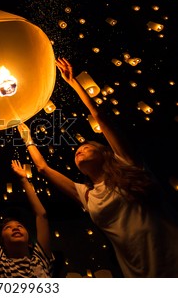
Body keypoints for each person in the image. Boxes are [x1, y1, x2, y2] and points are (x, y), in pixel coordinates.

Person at [16, 57, 178, 277]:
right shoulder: (86, 194)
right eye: (76, 152)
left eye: (85, 147)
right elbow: (42, 168)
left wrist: (73, 82)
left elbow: (100, 117)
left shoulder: (128, 164)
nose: (78, 150)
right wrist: (26, 136)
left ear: (105, 152)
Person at [0, 157, 54, 277]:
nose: (15, 228)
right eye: (8, 227)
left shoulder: (41, 259)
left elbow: (41, 215)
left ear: (29, 241)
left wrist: (24, 180)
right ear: (2, 242)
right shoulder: (0, 263)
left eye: (20, 226)